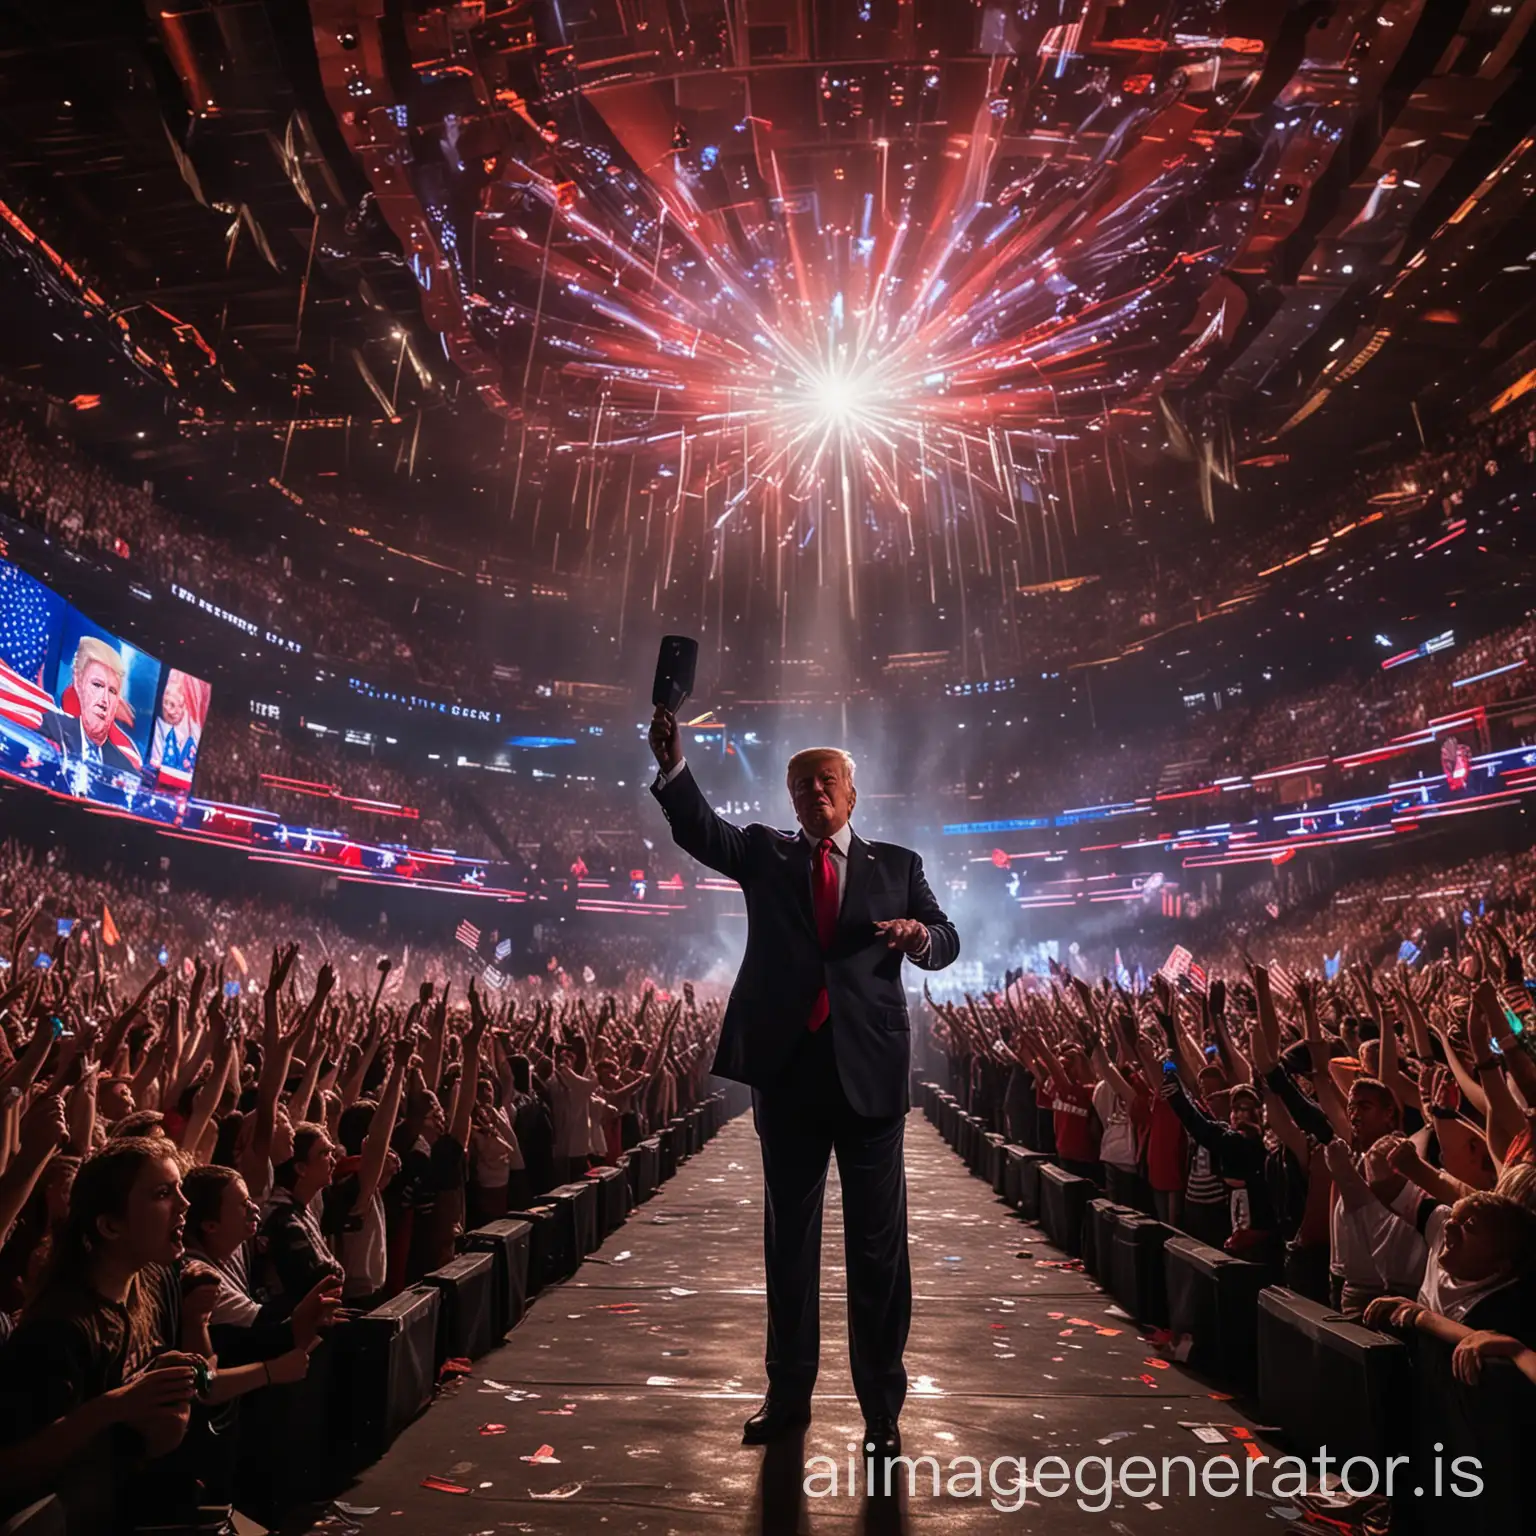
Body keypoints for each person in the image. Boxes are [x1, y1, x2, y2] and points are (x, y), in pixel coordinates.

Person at [648, 704, 959, 1463]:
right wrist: (673, 766)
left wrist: (920, 937)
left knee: (878, 1252)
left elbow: (946, 940)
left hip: (871, 1083)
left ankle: (882, 1410)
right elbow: (701, 831)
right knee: (789, 1245)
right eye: (801, 784)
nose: (814, 791)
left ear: (852, 793)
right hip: (788, 1075)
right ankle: (787, 1399)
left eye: (827, 781)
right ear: (791, 802)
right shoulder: (765, 853)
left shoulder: (900, 866)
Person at [41, 635, 142, 776]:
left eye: (112, 691)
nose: (104, 700)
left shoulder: (125, 769)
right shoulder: (52, 727)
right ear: (77, 681)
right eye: (97, 685)